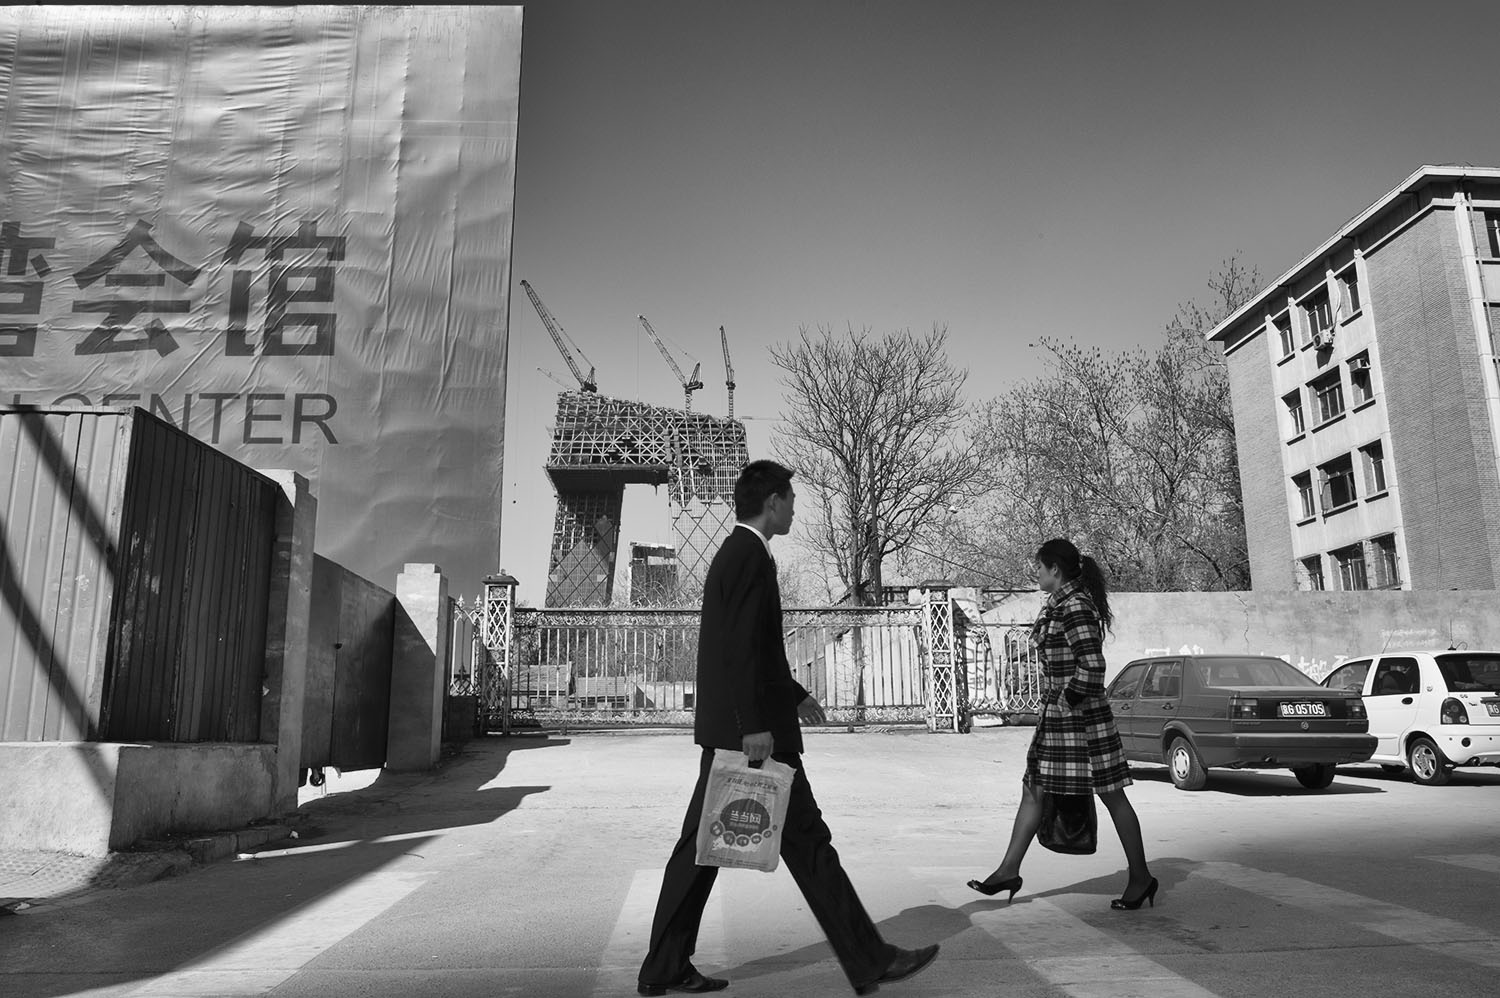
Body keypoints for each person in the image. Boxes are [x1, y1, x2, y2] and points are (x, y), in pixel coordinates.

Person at [638, 460, 940, 996]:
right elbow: (739, 653)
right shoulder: (748, 556)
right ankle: (870, 960)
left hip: (744, 729)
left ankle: (664, 966)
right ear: (772, 502)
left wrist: (795, 693)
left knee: (703, 849)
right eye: (792, 499)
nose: (796, 508)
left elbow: (758, 649)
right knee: (804, 843)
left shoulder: (741, 554)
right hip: (754, 736)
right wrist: (753, 724)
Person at [967, 538, 1157, 910]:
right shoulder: (1058, 606)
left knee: (1112, 794)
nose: (1035, 572)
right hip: (1058, 719)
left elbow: (1093, 666)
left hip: (1082, 722)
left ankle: (1141, 877)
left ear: (1055, 569)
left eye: (1039, 566)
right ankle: (1008, 870)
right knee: (1033, 787)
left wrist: (1066, 702)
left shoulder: (1075, 607)